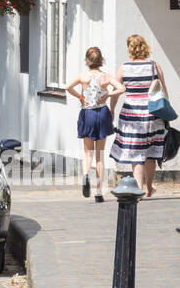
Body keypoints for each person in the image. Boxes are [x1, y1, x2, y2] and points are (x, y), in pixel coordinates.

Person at [108, 34, 168, 197]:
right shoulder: (155, 66)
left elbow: (115, 93)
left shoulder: (123, 68)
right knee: (150, 151)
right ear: (145, 47)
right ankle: (149, 187)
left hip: (131, 114)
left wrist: (112, 109)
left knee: (136, 152)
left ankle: (138, 189)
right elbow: (163, 91)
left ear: (129, 49)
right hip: (152, 113)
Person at [65, 47, 122, 203]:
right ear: (101, 60)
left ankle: (85, 175)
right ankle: (98, 192)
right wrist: (107, 94)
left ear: (87, 61)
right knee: (100, 155)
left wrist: (81, 97)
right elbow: (121, 88)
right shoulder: (106, 77)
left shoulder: (83, 76)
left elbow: (68, 87)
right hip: (102, 114)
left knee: (87, 153)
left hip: (87, 113)